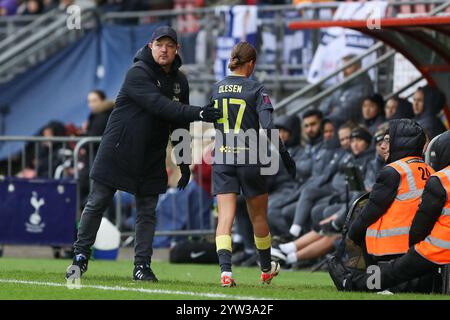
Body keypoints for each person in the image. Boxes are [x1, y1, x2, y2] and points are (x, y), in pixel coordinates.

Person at [66, 26, 221, 282]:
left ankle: (142, 267)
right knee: (97, 203)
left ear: (176, 50)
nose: (164, 49)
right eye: (160, 44)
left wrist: (183, 164)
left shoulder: (180, 81)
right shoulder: (137, 73)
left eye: (169, 45)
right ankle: (80, 257)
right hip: (118, 150)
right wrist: (199, 112)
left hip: (150, 155)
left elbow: (179, 125)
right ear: (151, 46)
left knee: (148, 211)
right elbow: (159, 106)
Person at [210, 41, 296, 287]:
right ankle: (267, 269)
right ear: (252, 64)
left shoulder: (217, 88)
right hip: (249, 157)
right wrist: (285, 157)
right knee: (258, 215)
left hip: (223, 156)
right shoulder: (257, 89)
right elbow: (268, 128)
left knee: (225, 217)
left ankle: (226, 273)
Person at [329, 131, 450, 293]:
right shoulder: (430, 173)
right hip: (431, 252)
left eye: (388, 141)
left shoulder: (441, 178)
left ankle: (350, 284)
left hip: (435, 249)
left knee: (392, 274)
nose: (383, 146)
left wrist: (411, 248)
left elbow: (421, 225)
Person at [347, 119, 434, 266]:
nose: (382, 146)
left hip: (392, 248)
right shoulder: (428, 169)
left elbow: (371, 211)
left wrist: (352, 234)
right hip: (422, 246)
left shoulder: (394, 171)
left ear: (400, 142)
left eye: (388, 141)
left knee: (360, 226)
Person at [319, 54, 374, 127]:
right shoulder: (345, 84)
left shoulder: (363, 87)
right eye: (343, 67)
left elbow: (343, 113)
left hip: (352, 130)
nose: (343, 71)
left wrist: (323, 119)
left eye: (348, 67)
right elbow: (325, 104)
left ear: (358, 68)